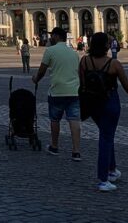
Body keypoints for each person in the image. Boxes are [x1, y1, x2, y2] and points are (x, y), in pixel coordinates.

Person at [79, 32, 128, 191]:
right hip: (110, 103)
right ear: (106, 46)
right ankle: (103, 179)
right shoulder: (114, 64)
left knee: (107, 135)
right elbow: (127, 86)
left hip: (92, 104)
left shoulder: (84, 61)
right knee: (106, 138)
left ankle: (112, 170)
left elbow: (82, 84)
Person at [32, 27, 82, 161]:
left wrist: (36, 79)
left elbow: (42, 70)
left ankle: (54, 146)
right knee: (74, 120)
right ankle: (76, 151)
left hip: (57, 91)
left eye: (52, 35)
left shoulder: (50, 51)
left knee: (55, 120)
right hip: (74, 91)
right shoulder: (74, 53)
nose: (50, 38)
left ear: (57, 36)